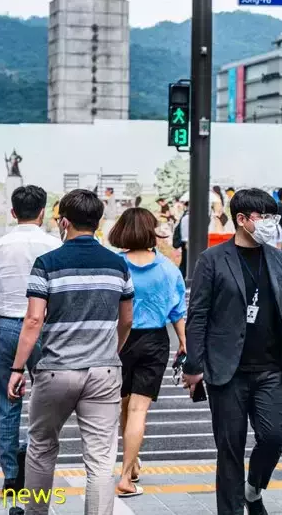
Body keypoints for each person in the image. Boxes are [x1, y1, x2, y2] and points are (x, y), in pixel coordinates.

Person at [7, 189, 134, 515]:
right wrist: (111, 351)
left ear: (63, 221)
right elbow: (127, 320)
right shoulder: (117, 265)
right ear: (99, 222)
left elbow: (34, 319)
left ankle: (36, 513)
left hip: (56, 370)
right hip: (104, 371)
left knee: (42, 448)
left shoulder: (47, 264)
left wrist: (18, 368)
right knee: (101, 457)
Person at [182, 189, 282, 515]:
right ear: (242, 220)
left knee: (274, 435)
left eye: (272, 217)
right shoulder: (213, 259)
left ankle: (253, 489)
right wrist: (194, 365)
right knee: (230, 449)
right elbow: (198, 316)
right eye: (263, 217)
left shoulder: (278, 259)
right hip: (226, 370)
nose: (269, 224)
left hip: (270, 369)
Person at [0, 186, 61, 498]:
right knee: (48, 403)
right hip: (47, 329)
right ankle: (36, 465)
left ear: (13, 213)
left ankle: (11, 476)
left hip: (8, 327)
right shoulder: (54, 244)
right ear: (42, 212)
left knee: (7, 403)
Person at [108, 208, 187, 498]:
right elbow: (178, 312)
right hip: (154, 341)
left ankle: (130, 463)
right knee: (139, 410)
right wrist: (184, 343)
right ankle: (127, 475)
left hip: (119, 340)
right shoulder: (167, 268)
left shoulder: (115, 265)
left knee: (123, 406)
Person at [175, 196, 190, 274]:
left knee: (184, 264)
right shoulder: (187, 217)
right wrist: (187, 242)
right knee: (186, 264)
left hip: (186, 243)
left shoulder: (186, 216)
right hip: (187, 244)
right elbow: (184, 231)